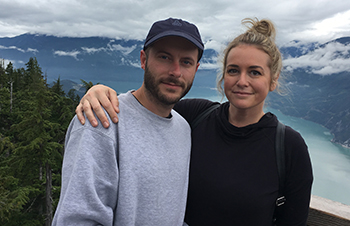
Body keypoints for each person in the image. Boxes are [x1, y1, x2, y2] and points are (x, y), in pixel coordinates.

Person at [77, 18, 313, 225]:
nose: (242, 81)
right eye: (233, 70)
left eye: (255, 72)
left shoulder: (289, 147)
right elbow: (146, 107)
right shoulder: (195, 115)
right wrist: (100, 92)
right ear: (223, 76)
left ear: (273, 80)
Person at [52, 17, 204, 226]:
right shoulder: (102, 120)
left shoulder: (183, 129)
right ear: (143, 60)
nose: (175, 72)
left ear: (195, 69)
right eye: (164, 57)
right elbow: (77, 220)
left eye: (186, 62)